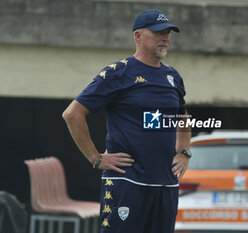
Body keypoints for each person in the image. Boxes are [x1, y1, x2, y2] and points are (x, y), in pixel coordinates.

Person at [62, 9, 191, 233]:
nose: (166, 38)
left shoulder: (172, 76)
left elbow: (183, 117)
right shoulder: (118, 73)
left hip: (165, 184)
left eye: (168, 33)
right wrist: (96, 158)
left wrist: (184, 151)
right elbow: (72, 114)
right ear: (138, 36)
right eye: (159, 32)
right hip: (127, 183)